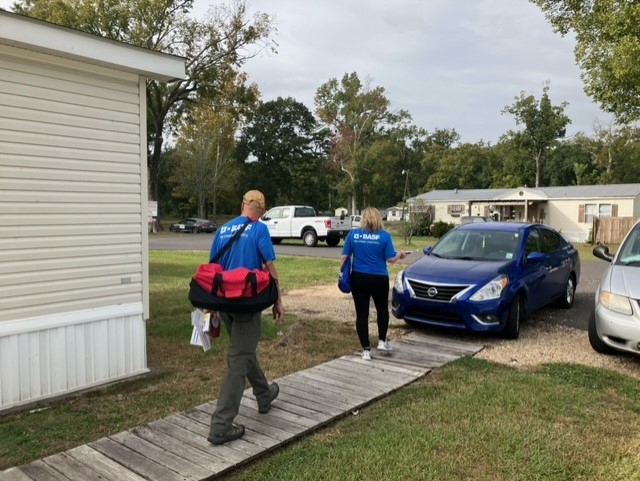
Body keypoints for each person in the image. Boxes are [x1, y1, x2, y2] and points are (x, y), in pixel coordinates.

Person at [207, 190, 285, 445]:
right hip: (247, 304)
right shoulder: (259, 229)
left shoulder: (224, 229)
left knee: (244, 350)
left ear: (243, 205)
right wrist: (278, 300)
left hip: (225, 302)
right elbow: (270, 267)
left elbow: (214, 269)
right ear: (261, 210)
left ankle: (264, 394)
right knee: (239, 360)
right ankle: (221, 425)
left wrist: (213, 306)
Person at [341, 207, 406, 360]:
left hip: (359, 278)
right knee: (382, 310)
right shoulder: (384, 236)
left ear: (363, 218)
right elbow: (390, 258)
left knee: (362, 314)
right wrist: (400, 255)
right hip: (379, 278)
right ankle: (382, 341)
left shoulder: (353, 235)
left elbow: (344, 257)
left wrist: (342, 274)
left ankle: (365, 350)